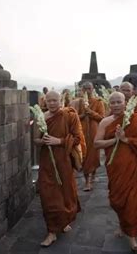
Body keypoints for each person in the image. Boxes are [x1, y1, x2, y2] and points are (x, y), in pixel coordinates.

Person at [94, 92, 137, 251]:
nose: (116, 105)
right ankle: (122, 223)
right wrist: (115, 139)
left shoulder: (136, 119)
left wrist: (127, 139)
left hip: (134, 166)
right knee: (118, 200)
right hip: (115, 168)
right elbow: (97, 143)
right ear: (109, 104)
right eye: (112, 102)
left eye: (119, 101)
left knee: (133, 201)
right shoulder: (105, 122)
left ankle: (132, 236)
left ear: (125, 102)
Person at [33, 91, 85, 247]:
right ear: (45, 102)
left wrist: (59, 141)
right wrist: (42, 141)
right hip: (47, 162)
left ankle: (64, 220)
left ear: (61, 100)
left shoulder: (70, 115)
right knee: (48, 195)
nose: (52, 103)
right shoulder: (41, 117)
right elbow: (35, 140)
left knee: (65, 193)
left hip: (63, 161)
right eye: (49, 101)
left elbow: (77, 138)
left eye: (55, 100)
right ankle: (51, 231)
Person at [70, 82, 105, 191]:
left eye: (89, 88)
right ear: (82, 90)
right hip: (82, 132)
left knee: (93, 156)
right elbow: (74, 118)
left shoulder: (99, 102)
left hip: (95, 132)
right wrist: (83, 115)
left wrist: (91, 112)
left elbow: (102, 118)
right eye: (84, 89)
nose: (87, 91)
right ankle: (87, 182)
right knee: (85, 156)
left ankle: (93, 173)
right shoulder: (78, 103)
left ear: (93, 89)